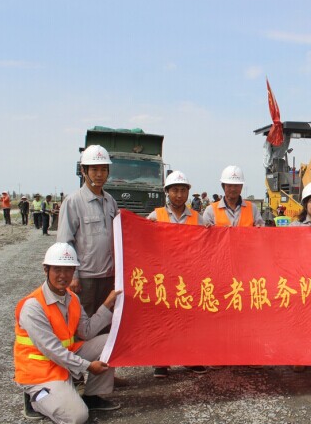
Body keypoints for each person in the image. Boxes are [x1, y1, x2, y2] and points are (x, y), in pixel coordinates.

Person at [15, 242, 122, 422]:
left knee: (110, 342)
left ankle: (91, 397)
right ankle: (35, 398)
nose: (63, 275)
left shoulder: (72, 298)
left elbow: (86, 332)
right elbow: (52, 350)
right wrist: (87, 366)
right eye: (57, 269)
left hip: (64, 359)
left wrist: (108, 304)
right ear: (46, 270)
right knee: (77, 416)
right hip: (41, 371)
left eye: (68, 270)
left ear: (74, 272)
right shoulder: (33, 307)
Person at [147, 170, 207, 378]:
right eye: (175, 190)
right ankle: (161, 362)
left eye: (183, 190)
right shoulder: (155, 217)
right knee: (163, 319)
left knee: (189, 319)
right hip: (164, 277)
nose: (179, 195)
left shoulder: (198, 219)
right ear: (167, 192)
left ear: (188, 192)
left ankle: (191, 358)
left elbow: (206, 246)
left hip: (189, 277)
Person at [57, 145, 118, 318]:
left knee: (105, 322)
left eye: (103, 169)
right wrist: (73, 276)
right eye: (94, 169)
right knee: (83, 323)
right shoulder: (73, 202)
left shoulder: (111, 202)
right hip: (85, 279)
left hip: (108, 277)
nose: (99, 174)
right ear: (84, 171)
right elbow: (64, 242)